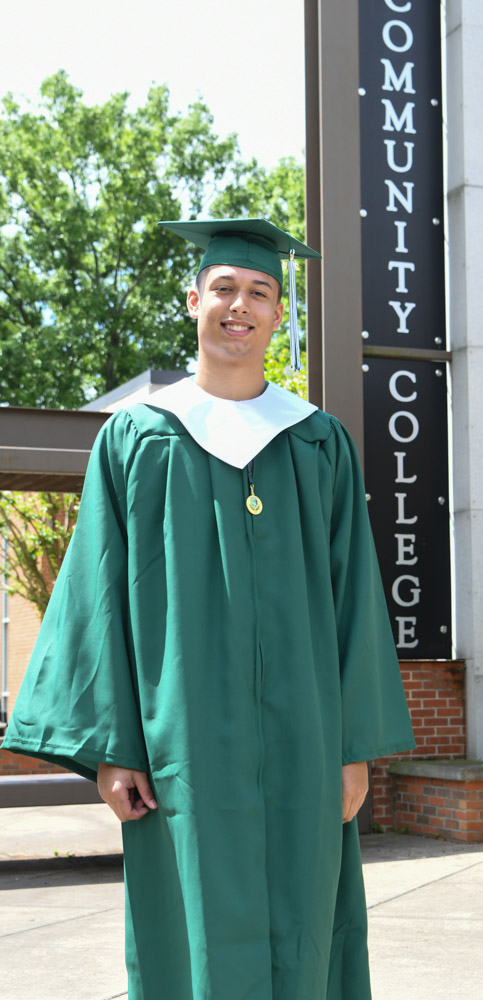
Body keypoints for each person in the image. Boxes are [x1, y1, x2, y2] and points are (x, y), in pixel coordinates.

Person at [4, 218, 415, 999]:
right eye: (224, 288)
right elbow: (97, 599)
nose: (240, 305)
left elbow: (354, 597)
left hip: (307, 737)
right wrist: (112, 748)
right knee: (186, 914)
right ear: (193, 300)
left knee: (307, 918)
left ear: (280, 313)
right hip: (178, 740)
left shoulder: (317, 442)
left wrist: (353, 743)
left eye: (260, 291)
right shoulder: (137, 437)